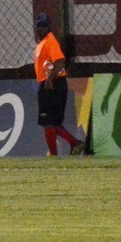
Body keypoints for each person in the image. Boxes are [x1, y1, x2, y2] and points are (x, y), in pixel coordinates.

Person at [34, 13, 83, 156]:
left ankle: (67, 146)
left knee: (48, 122)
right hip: (51, 83)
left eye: (43, 26)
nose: (40, 29)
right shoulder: (42, 43)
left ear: (48, 27)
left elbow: (60, 61)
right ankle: (67, 146)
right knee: (50, 122)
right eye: (38, 26)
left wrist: (49, 80)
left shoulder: (50, 41)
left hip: (52, 84)